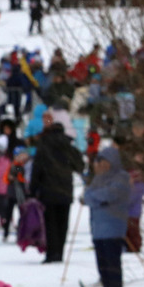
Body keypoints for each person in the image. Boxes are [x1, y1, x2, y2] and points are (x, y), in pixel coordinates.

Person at [29, 111, 83, 262]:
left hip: (47, 191)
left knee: (49, 223)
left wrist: (32, 191)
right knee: (62, 223)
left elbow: (36, 170)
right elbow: (80, 166)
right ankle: (60, 252)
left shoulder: (43, 146)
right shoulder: (68, 147)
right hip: (65, 190)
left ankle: (51, 253)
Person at [81, 147, 131, 287]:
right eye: (99, 161)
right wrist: (96, 199)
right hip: (98, 228)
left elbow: (109, 195)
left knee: (112, 262)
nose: (101, 165)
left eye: (104, 161)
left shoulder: (121, 177)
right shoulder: (98, 179)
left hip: (113, 227)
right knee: (102, 263)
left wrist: (94, 198)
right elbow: (88, 196)